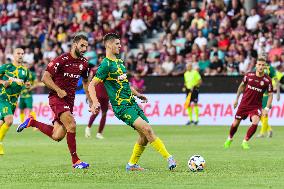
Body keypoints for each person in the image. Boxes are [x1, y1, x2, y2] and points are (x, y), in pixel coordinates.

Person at [88, 33, 176, 171]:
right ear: (109, 45)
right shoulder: (106, 64)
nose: (120, 46)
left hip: (132, 103)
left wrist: (138, 94)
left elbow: (126, 84)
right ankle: (169, 158)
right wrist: (94, 102)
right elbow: (91, 85)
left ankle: (132, 165)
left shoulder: (119, 62)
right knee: (147, 129)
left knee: (144, 136)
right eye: (117, 43)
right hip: (121, 106)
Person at [17, 34, 91, 169]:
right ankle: (76, 161)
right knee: (72, 125)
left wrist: (90, 99)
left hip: (70, 101)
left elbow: (86, 82)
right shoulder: (61, 59)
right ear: (74, 45)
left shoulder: (84, 63)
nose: (84, 48)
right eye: (82, 45)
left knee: (57, 136)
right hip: (56, 98)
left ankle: (32, 122)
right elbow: (45, 78)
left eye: (86, 46)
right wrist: (58, 90)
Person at [224, 58, 273, 150]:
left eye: (263, 65)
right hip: (244, 104)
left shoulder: (267, 80)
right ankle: (230, 138)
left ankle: (245, 141)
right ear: (256, 65)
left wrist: (266, 109)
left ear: (265, 67)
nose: (261, 67)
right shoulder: (249, 75)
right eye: (259, 64)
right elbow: (241, 86)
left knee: (256, 122)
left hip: (256, 106)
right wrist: (236, 99)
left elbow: (270, 95)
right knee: (235, 124)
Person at [0, 48, 31, 155]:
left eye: (22, 53)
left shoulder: (25, 70)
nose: (20, 55)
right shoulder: (6, 67)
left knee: (1, 123)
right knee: (9, 120)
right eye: (18, 53)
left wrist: (27, 85)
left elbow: (26, 83)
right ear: (13, 55)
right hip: (3, 98)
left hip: (14, 101)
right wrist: (3, 82)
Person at [85, 54, 109, 139]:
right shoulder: (94, 70)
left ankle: (99, 133)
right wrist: (88, 95)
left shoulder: (109, 71)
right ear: (98, 60)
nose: (102, 60)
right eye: (101, 58)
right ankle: (88, 127)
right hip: (97, 93)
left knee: (104, 114)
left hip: (106, 95)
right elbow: (89, 83)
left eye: (104, 58)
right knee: (96, 112)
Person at [257, 62, 280, 138]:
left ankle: (262, 133)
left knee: (264, 113)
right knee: (259, 114)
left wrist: (278, 93)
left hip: (266, 95)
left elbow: (276, 80)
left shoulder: (270, 68)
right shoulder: (256, 67)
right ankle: (269, 130)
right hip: (258, 94)